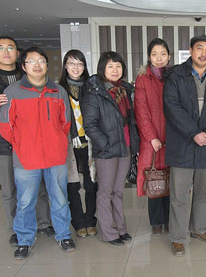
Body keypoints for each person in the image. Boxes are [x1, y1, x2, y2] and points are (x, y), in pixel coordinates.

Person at [0, 36, 53, 247]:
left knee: (39, 185)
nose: (6, 52)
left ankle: (44, 223)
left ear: (18, 53)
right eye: (1, 48)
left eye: (10, 48)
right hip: (2, 144)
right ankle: (16, 229)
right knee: (10, 189)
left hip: (32, 143)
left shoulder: (30, 76)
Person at [0, 47, 75, 259]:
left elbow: (66, 123)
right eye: (32, 61)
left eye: (41, 60)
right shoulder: (12, 92)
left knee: (60, 199)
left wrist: (56, 142)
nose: (37, 65)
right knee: (25, 202)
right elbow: (5, 127)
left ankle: (63, 235)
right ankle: (24, 240)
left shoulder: (58, 91)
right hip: (26, 158)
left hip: (55, 156)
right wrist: (23, 144)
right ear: (24, 66)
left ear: (47, 65)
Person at [163, 34, 206, 256]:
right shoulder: (175, 75)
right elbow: (172, 107)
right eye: (199, 48)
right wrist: (194, 132)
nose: (203, 53)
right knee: (179, 194)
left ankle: (199, 229)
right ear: (191, 50)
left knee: (204, 191)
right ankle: (177, 237)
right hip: (182, 143)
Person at [81, 51, 139, 246]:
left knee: (118, 191)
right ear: (102, 69)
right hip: (106, 151)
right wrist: (105, 144)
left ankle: (120, 228)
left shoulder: (125, 91)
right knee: (105, 192)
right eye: (110, 66)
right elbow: (90, 125)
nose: (115, 70)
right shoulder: (94, 93)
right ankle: (108, 232)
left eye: (118, 66)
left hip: (125, 147)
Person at [58, 50, 98, 238]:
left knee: (91, 184)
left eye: (80, 64)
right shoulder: (59, 89)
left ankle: (90, 220)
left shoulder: (91, 88)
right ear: (65, 66)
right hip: (68, 144)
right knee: (72, 185)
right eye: (72, 63)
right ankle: (78, 222)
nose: (76, 67)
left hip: (90, 143)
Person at [134, 38, 171, 236]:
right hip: (151, 140)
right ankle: (157, 222)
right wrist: (152, 137)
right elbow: (141, 111)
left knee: (171, 179)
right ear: (149, 57)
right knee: (154, 177)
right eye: (155, 54)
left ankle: (170, 220)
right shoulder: (143, 79)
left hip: (172, 138)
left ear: (169, 56)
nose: (159, 58)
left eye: (163, 54)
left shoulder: (174, 77)